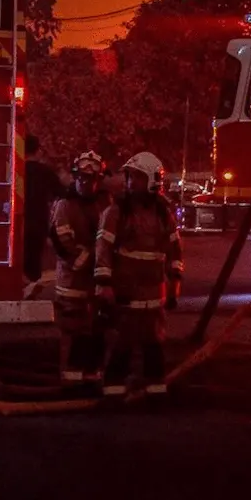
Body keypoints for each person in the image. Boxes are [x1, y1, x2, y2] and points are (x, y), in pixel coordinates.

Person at [94, 151, 183, 396]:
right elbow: (103, 249)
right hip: (126, 291)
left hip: (155, 294)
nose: (131, 183)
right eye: (130, 177)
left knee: (154, 346)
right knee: (122, 344)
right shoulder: (117, 212)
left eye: (137, 178)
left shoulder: (164, 214)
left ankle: (156, 392)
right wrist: (104, 284)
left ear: (153, 180)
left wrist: (175, 280)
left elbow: (175, 249)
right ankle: (113, 392)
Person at [48, 151, 111, 385]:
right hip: (72, 285)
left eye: (92, 179)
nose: (86, 183)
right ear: (75, 177)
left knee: (97, 330)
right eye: (82, 178)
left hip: (96, 284)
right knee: (73, 332)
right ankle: (70, 381)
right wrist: (97, 260)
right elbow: (64, 245)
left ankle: (93, 377)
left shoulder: (106, 203)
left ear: (99, 180)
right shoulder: (64, 205)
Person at [23, 135, 62, 286]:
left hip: (18, 224)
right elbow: (61, 193)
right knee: (33, 264)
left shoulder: (16, 171)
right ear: (38, 151)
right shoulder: (45, 172)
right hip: (39, 225)